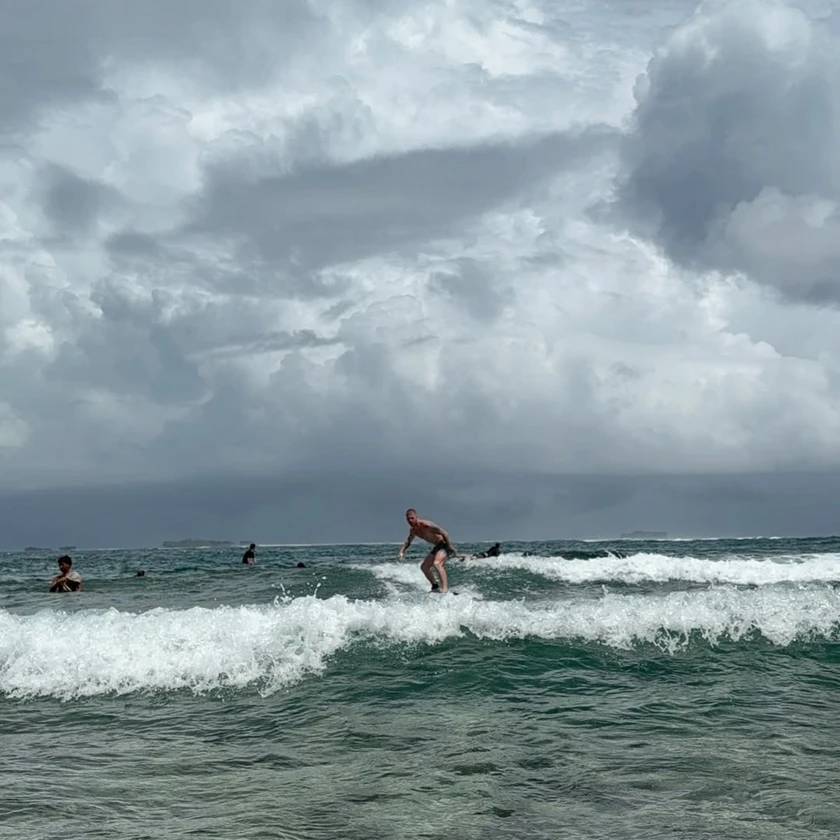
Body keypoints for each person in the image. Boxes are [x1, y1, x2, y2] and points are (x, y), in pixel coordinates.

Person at [398, 508, 457, 593]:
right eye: (408, 519)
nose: (410, 520)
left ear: (416, 517)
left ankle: (445, 589)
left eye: (412, 518)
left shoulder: (427, 525)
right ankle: (435, 587)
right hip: (437, 547)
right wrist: (401, 552)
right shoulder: (413, 531)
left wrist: (449, 547)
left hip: (444, 544)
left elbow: (444, 533)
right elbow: (408, 541)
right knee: (424, 567)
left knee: (437, 563)